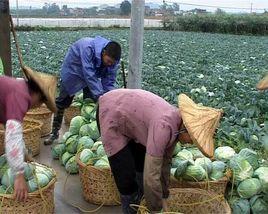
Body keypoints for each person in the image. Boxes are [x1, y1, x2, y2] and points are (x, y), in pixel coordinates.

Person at [97, 89, 223, 214]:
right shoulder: (163, 127)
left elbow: (165, 162)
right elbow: (151, 178)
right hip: (111, 112)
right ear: (186, 129)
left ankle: (143, 203)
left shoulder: (176, 126)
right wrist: (156, 210)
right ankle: (131, 209)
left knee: (141, 164)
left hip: (130, 119)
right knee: (126, 177)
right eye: (192, 139)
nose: (191, 143)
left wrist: (164, 194)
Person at [44, 36, 121, 145]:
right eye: (108, 61)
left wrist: (109, 98)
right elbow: (88, 72)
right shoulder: (87, 47)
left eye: (112, 63)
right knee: (63, 101)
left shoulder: (113, 62)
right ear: (103, 53)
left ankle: (90, 133)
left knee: (91, 102)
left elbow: (109, 81)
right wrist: (100, 95)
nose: (110, 64)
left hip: (91, 75)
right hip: (73, 70)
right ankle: (54, 132)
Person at [0, 66, 57, 201]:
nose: (38, 106)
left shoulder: (18, 87)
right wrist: (19, 175)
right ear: (38, 95)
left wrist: (24, 153)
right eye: (42, 102)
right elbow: (13, 136)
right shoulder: (21, 96)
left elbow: (12, 131)